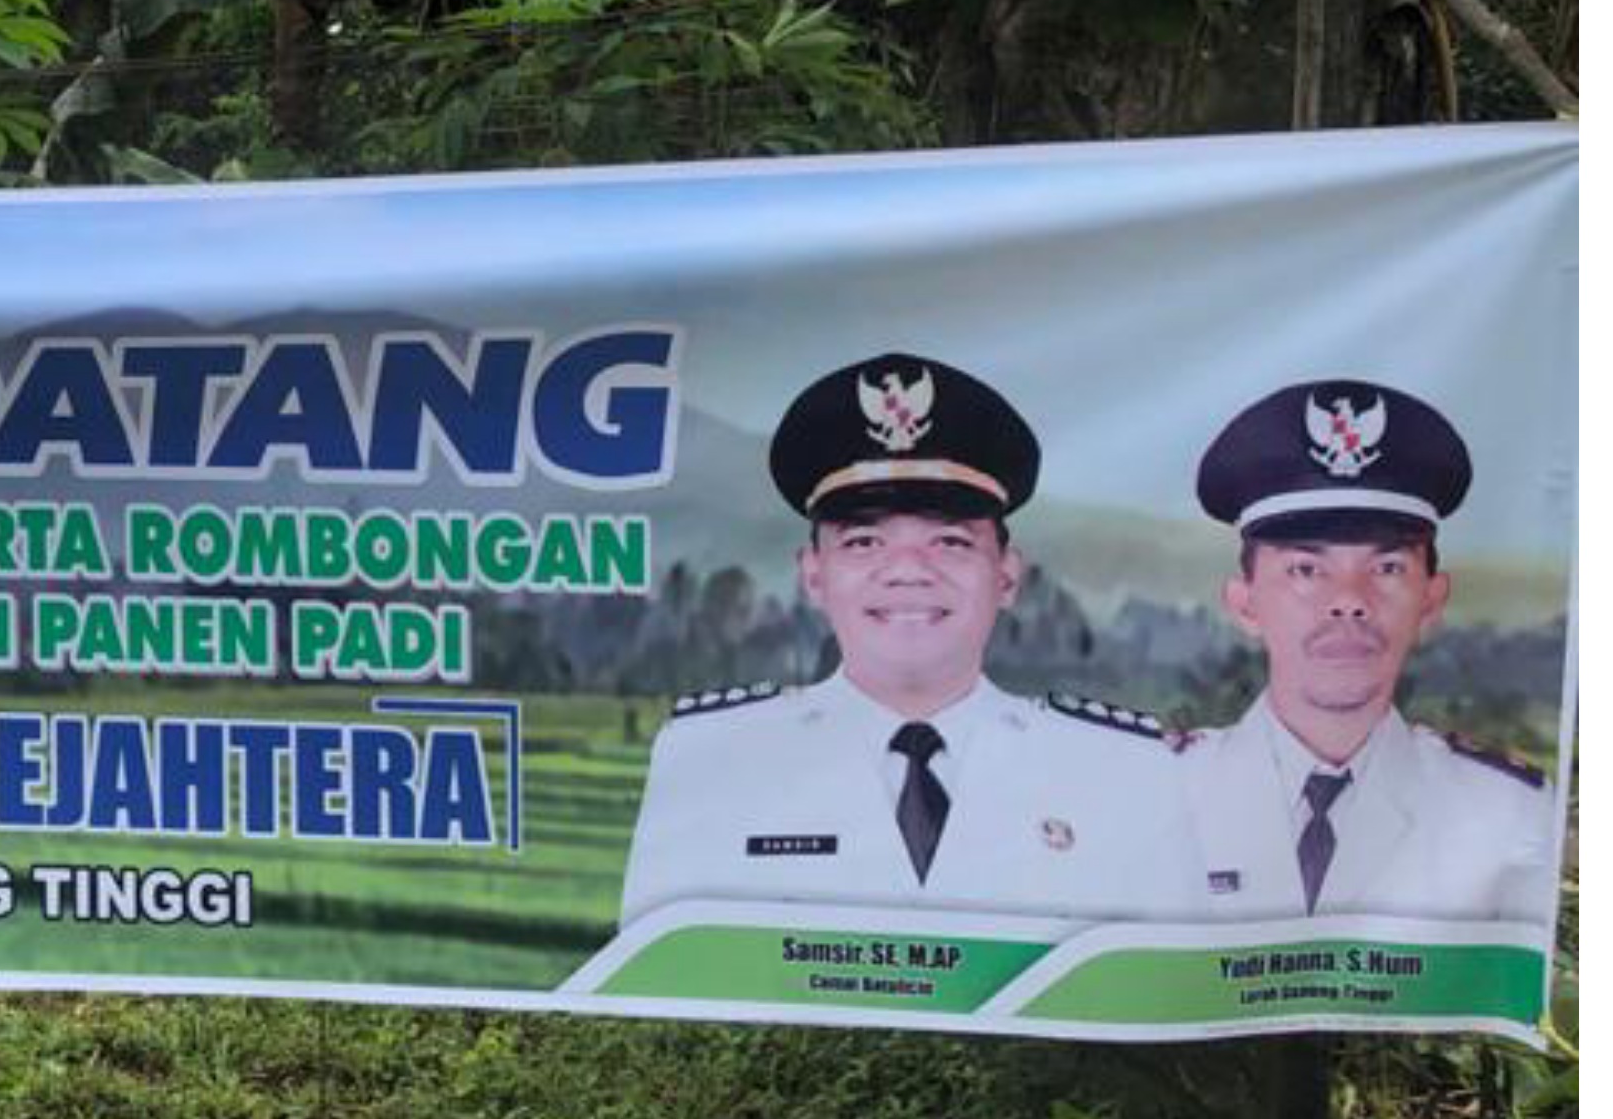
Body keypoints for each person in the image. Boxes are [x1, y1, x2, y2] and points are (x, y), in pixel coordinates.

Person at [618, 350, 1202, 927]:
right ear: (813, 575)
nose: (908, 570)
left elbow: (1166, 987)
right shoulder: (711, 758)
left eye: (950, 541)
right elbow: (656, 990)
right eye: (863, 543)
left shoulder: (1119, 769)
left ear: (1006, 574)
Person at [1174, 380, 1552, 924]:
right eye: (1306, 569)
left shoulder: (1508, 814)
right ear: (1244, 603)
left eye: (1387, 568)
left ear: (1431, 600)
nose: (1349, 601)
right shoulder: (1158, 795)